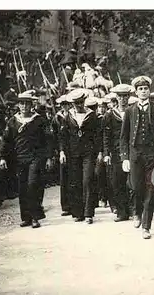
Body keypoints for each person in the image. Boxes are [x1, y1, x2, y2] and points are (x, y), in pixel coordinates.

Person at [120, 76, 154, 239]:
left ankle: (146, 226)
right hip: (135, 154)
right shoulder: (129, 110)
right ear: (136, 91)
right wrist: (125, 157)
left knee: (151, 189)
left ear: (149, 90)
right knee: (136, 187)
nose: (143, 91)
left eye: (146, 88)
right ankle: (136, 212)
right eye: (140, 89)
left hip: (152, 154)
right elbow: (124, 136)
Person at [0, 91, 53, 228]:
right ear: (18, 105)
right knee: (22, 187)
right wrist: (3, 157)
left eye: (27, 104)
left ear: (31, 105)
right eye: (21, 103)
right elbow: (6, 141)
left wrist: (49, 157)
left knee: (32, 185)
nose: (24, 106)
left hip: (35, 158)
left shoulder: (39, 120)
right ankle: (26, 217)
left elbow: (48, 140)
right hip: (19, 158)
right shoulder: (12, 121)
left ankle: (35, 217)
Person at [59, 90, 102, 224]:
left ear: (84, 102)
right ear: (72, 104)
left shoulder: (92, 115)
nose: (78, 105)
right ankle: (78, 212)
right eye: (76, 103)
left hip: (88, 153)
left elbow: (98, 135)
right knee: (75, 182)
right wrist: (62, 152)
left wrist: (100, 152)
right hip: (73, 153)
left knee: (87, 180)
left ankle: (89, 213)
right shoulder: (68, 116)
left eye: (80, 102)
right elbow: (63, 136)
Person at [103, 84, 134, 222]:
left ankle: (133, 209)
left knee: (132, 182)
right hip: (116, 152)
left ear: (129, 97)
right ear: (116, 98)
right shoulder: (109, 115)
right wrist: (106, 153)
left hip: (132, 151)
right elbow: (106, 135)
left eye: (125, 96)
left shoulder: (133, 112)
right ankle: (122, 212)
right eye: (120, 96)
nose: (123, 99)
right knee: (117, 181)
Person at [52, 94, 72, 216]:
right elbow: (54, 135)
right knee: (64, 178)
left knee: (74, 177)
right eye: (63, 104)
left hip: (73, 148)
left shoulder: (72, 116)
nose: (65, 106)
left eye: (67, 104)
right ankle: (65, 206)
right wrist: (58, 150)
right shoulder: (57, 118)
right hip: (62, 149)